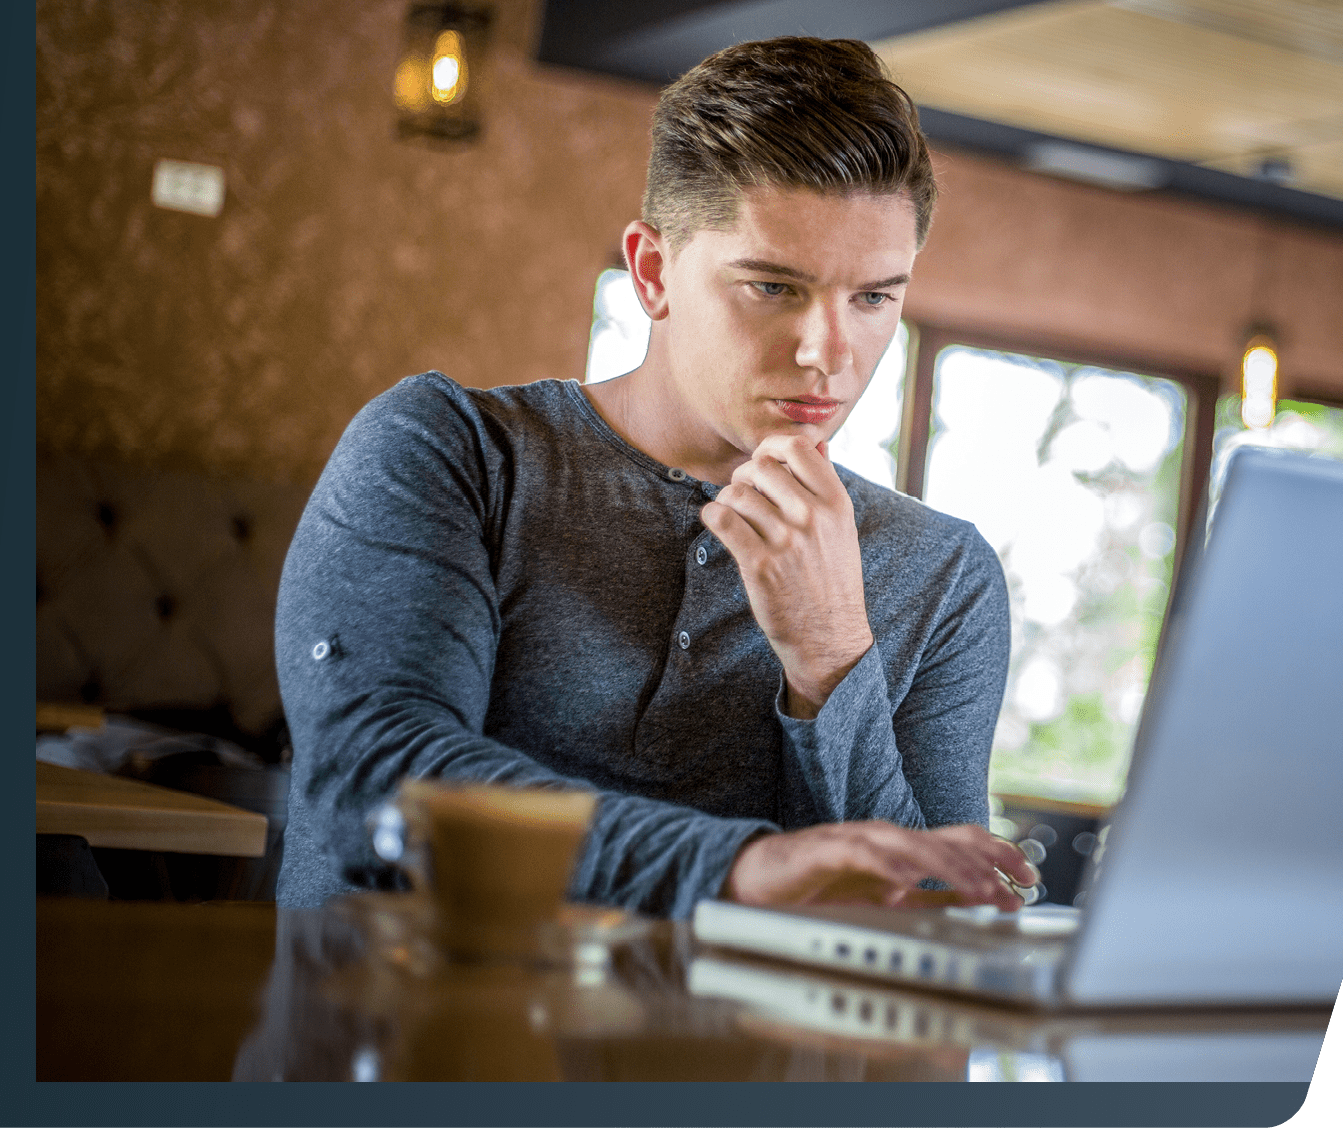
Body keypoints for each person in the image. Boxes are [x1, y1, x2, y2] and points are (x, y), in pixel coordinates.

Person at [273, 37, 1037, 919]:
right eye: (773, 288)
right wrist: (731, 871)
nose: (828, 353)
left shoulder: (944, 576)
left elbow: (944, 914)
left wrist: (832, 659)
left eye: (873, 298)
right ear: (651, 270)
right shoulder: (450, 451)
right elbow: (377, 780)